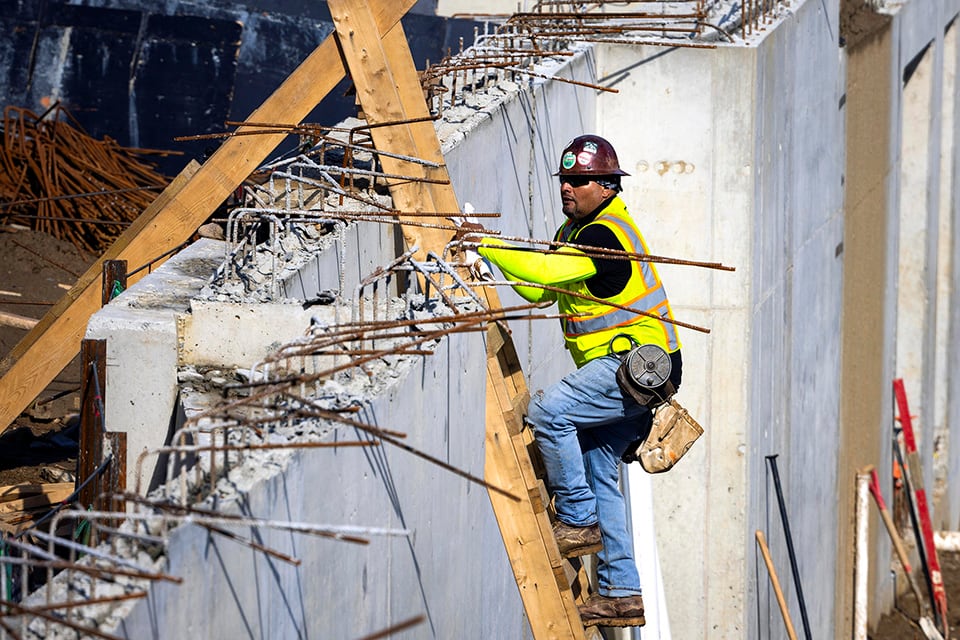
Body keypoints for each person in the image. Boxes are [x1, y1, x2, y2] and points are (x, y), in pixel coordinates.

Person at [472, 135, 683, 628]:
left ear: (606, 186)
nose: (567, 186)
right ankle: (621, 593)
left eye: (578, 180)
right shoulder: (575, 231)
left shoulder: (606, 235)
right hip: (633, 372)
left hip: (637, 368)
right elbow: (540, 288)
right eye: (564, 179)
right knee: (595, 465)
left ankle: (577, 519)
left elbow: (542, 268)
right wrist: (494, 261)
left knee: (547, 412)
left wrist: (485, 241)